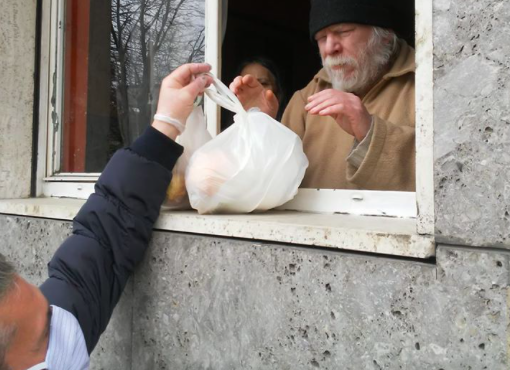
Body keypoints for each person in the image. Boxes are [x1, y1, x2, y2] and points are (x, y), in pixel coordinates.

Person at [0, 63, 213, 370]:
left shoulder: (52, 316)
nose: (60, 323)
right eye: (45, 333)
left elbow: (102, 242)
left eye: (47, 312)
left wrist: (165, 126)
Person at [230, 0, 416, 191]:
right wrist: (261, 126)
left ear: (384, 35)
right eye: (321, 37)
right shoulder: (305, 99)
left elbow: (442, 183)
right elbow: (270, 189)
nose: (329, 48)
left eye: (343, 31)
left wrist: (369, 132)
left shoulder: (429, 87)